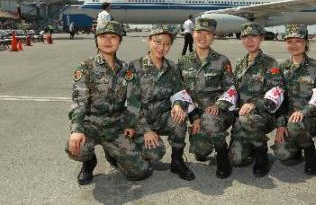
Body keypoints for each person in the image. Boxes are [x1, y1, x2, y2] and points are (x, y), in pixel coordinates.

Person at [65, 21, 152, 185]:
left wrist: (130, 124)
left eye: (113, 37)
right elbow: (79, 100)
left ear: (119, 41)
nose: (107, 40)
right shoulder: (86, 67)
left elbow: (133, 101)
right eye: (103, 36)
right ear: (96, 39)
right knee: (77, 149)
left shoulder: (127, 69)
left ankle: (112, 153)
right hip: (91, 123)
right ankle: (89, 162)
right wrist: (76, 129)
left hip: (116, 125)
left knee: (140, 172)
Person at [127, 25, 197, 181]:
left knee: (179, 118)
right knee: (154, 152)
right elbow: (131, 103)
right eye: (157, 42)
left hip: (162, 117)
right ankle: (126, 153)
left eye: (166, 44)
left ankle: (177, 161)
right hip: (141, 121)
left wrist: (178, 104)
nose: (161, 47)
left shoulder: (172, 67)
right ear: (149, 41)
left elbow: (180, 92)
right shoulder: (134, 66)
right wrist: (145, 130)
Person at [178, 17, 235, 179]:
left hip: (219, 113)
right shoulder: (183, 62)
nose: (202, 36)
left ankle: (223, 155)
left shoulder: (222, 61)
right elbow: (181, 93)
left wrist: (219, 105)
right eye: (199, 32)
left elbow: (231, 90)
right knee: (200, 151)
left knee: (209, 118)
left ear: (213, 36)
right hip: (197, 115)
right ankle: (204, 142)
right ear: (193, 34)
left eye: (207, 33)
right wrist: (194, 117)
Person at [229, 22, 284, 177]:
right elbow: (234, 91)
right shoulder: (240, 63)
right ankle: (250, 143)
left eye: (254, 36)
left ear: (261, 39)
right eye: (245, 37)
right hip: (242, 117)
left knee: (247, 119)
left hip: (263, 115)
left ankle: (261, 153)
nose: (249, 40)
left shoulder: (270, 63)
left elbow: (277, 93)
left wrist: (254, 103)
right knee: (236, 159)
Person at [272, 24, 316, 175]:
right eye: (290, 41)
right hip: (290, 121)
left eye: (298, 41)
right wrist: (280, 125)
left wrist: (303, 112)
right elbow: (279, 100)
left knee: (295, 123)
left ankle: (310, 153)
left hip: (313, 119)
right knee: (283, 154)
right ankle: (296, 145)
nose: (294, 45)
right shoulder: (282, 67)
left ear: (306, 43)